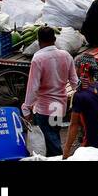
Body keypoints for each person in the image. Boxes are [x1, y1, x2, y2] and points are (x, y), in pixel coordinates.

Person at [22, 26, 75, 157]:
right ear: (55, 39)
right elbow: (74, 81)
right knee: (54, 134)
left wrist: (27, 107)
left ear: (38, 41)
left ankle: (59, 158)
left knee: (51, 142)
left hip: (45, 108)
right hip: (59, 106)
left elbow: (33, 87)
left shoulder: (38, 58)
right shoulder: (66, 55)